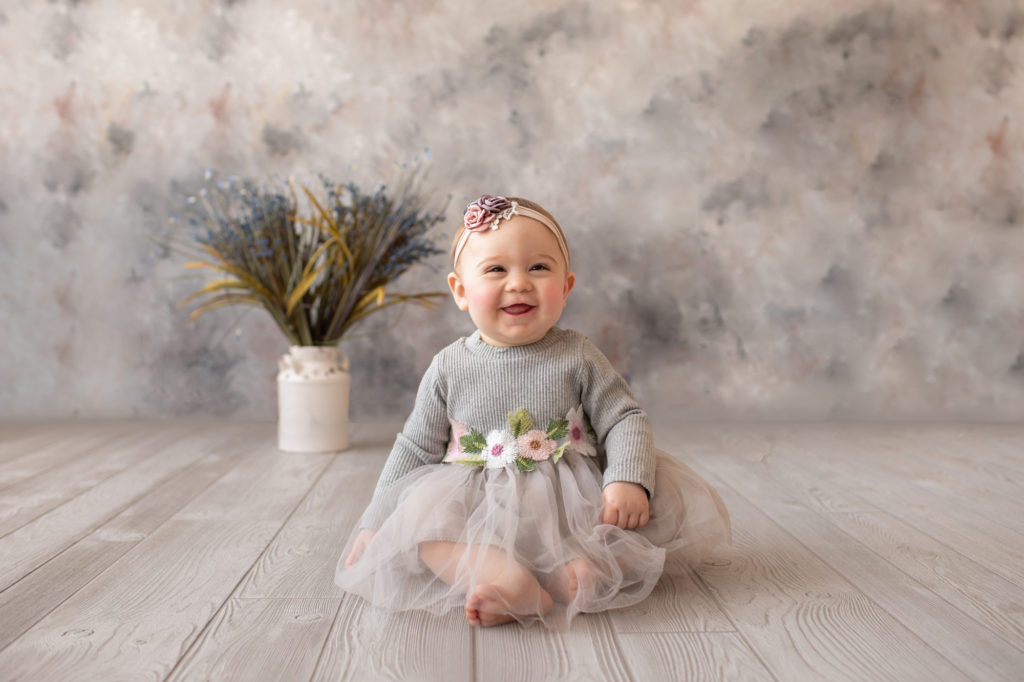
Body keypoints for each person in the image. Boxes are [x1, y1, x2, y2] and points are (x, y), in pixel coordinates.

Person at [335, 194, 730, 628]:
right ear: (461, 291)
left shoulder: (576, 355)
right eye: (496, 269)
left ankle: (568, 577)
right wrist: (376, 521)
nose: (519, 282)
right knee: (426, 532)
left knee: (619, 530)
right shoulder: (449, 366)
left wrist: (627, 479)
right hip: (476, 504)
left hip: (566, 503)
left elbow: (624, 417)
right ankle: (505, 580)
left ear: (566, 286)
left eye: (538, 267)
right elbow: (414, 448)